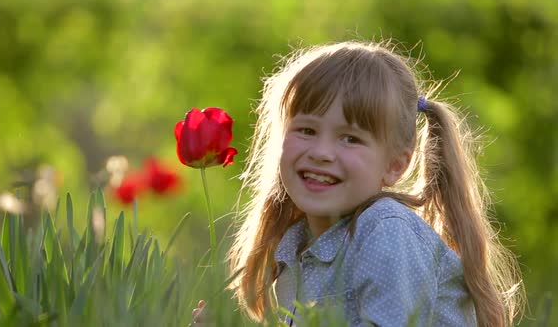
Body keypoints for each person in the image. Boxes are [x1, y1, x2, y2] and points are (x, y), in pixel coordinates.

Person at [191, 40, 525, 326]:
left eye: (350, 138)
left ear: (395, 166)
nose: (321, 152)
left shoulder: (385, 231)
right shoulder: (295, 244)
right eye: (306, 130)